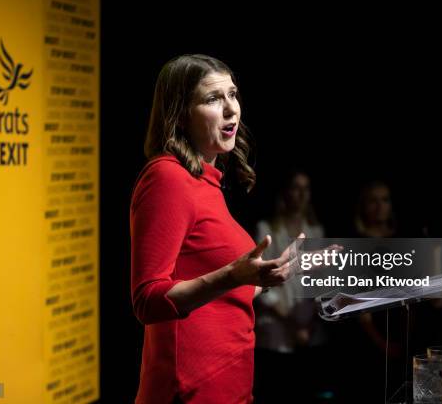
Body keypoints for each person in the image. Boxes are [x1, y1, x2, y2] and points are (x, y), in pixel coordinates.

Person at [129, 54, 304, 403]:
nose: (231, 109)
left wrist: (276, 274)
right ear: (179, 114)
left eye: (233, 94)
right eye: (213, 99)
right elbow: (146, 300)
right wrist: (233, 275)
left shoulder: (204, 182)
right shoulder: (167, 178)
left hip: (228, 386)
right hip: (189, 390)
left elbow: (217, 298)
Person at [253, 169, 331, 401]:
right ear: (286, 192)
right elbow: (260, 278)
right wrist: (290, 320)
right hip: (276, 325)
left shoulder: (316, 230)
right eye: (296, 188)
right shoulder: (266, 229)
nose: (301, 194)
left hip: (309, 328)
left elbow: (321, 281)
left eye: (306, 188)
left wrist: (307, 323)